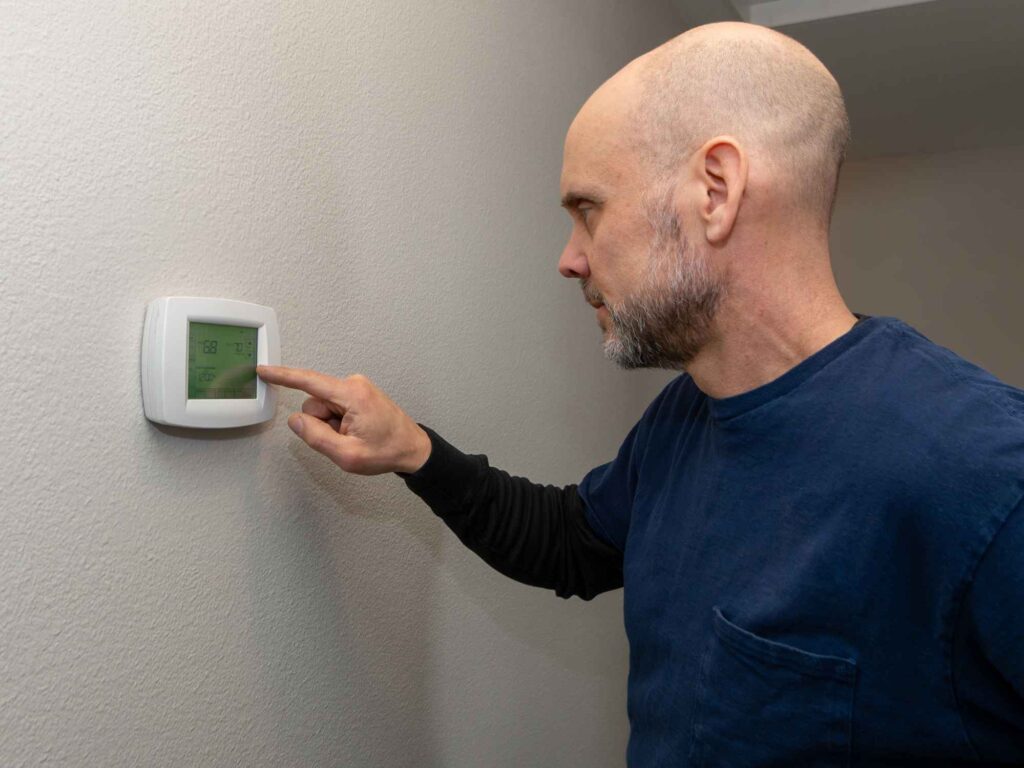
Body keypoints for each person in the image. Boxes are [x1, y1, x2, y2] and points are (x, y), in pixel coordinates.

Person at [257, 20, 1024, 766]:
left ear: (715, 192)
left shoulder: (984, 472)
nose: (568, 259)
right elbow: (573, 543)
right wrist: (414, 452)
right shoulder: (686, 416)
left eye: (588, 209)